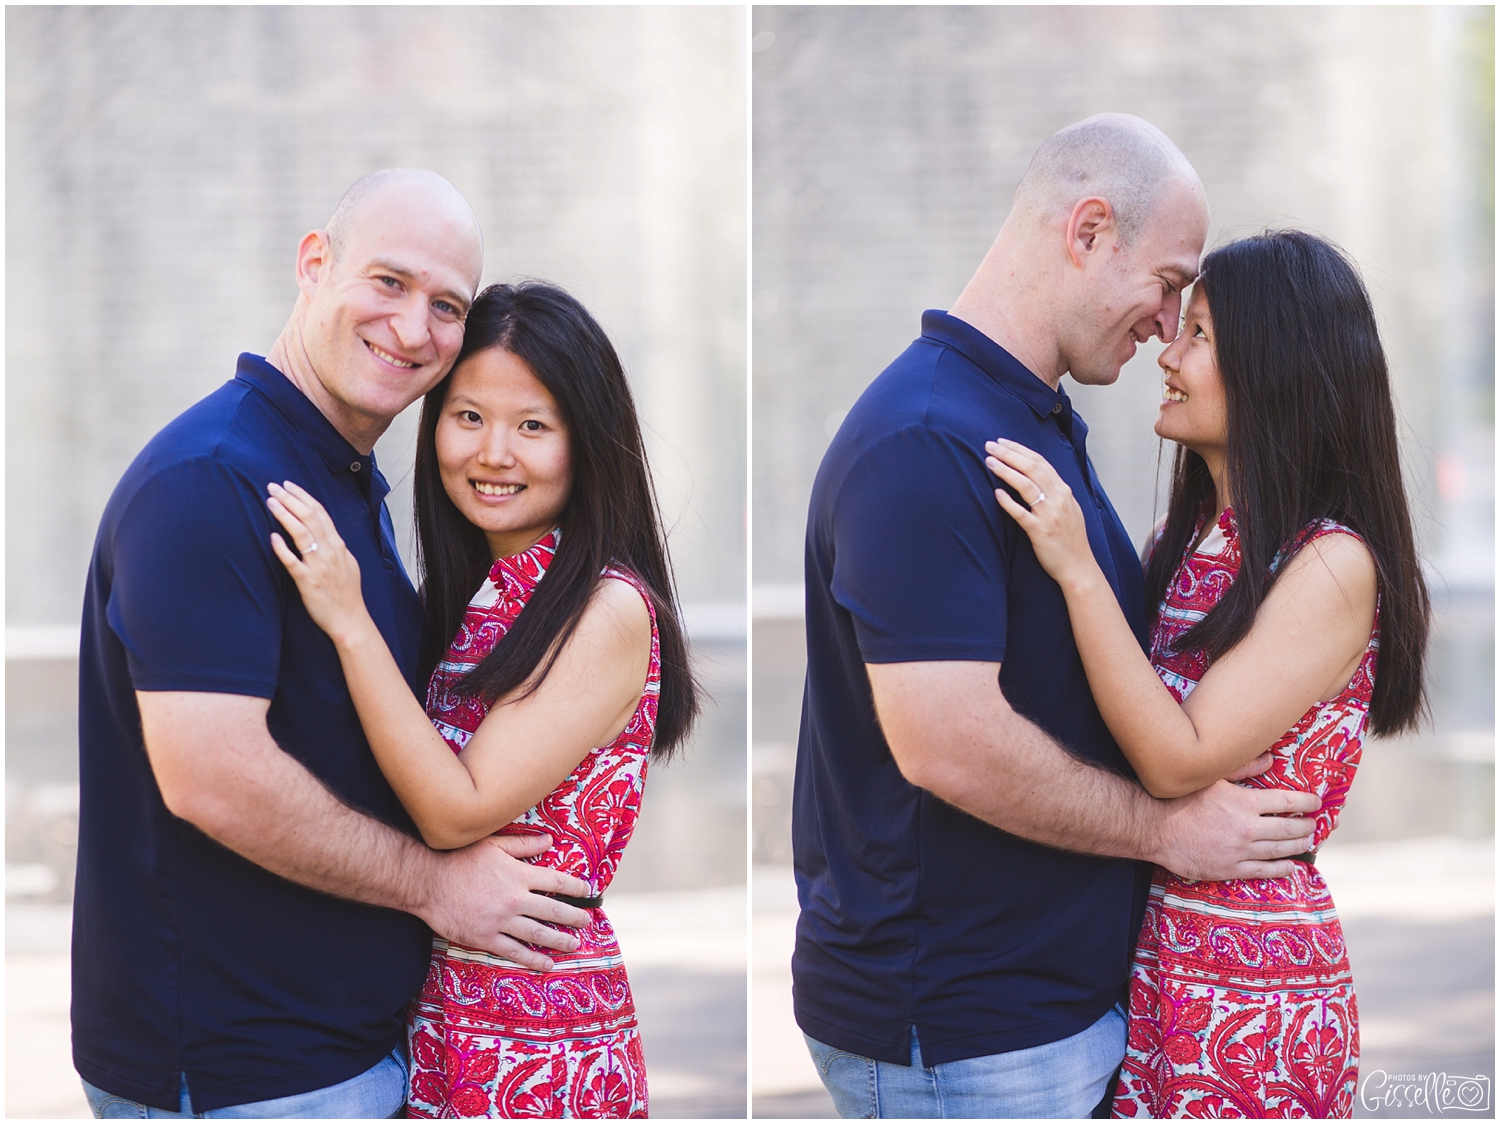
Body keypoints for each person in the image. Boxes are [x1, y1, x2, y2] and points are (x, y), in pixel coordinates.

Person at [792, 113, 1323, 1119]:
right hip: (964, 1032)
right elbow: (950, 744)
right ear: (1088, 232)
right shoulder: (925, 440)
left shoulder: (1022, 417)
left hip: (1032, 1018)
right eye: (1170, 286)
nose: (1169, 326)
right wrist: (1173, 830)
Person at [74, 170, 597, 1119]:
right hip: (243, 1075)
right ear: (315, 263)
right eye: (388, 282)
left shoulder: (340, 480)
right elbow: (210, 774)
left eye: (447, 305)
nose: (413, 328)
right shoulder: (212, 480)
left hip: (336, 1057)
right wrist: (435, 887)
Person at [986, 229, 1429, 1118]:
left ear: (1278, 369)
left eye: (1201, 336)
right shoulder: (1180, 545)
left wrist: (1075, 565)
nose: (1167, 355)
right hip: (1154, 969)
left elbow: (1176, 757)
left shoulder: (1333, 566)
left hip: (1251, 994)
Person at [263, 281, 699, 1118]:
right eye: (468, 417)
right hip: (446, 1021)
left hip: (536, 1042)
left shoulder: (604, 607)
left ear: (588, 444)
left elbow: (455, 812)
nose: (493, 452)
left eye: (532, 426)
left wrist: (349, 622)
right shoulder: (486, 597)